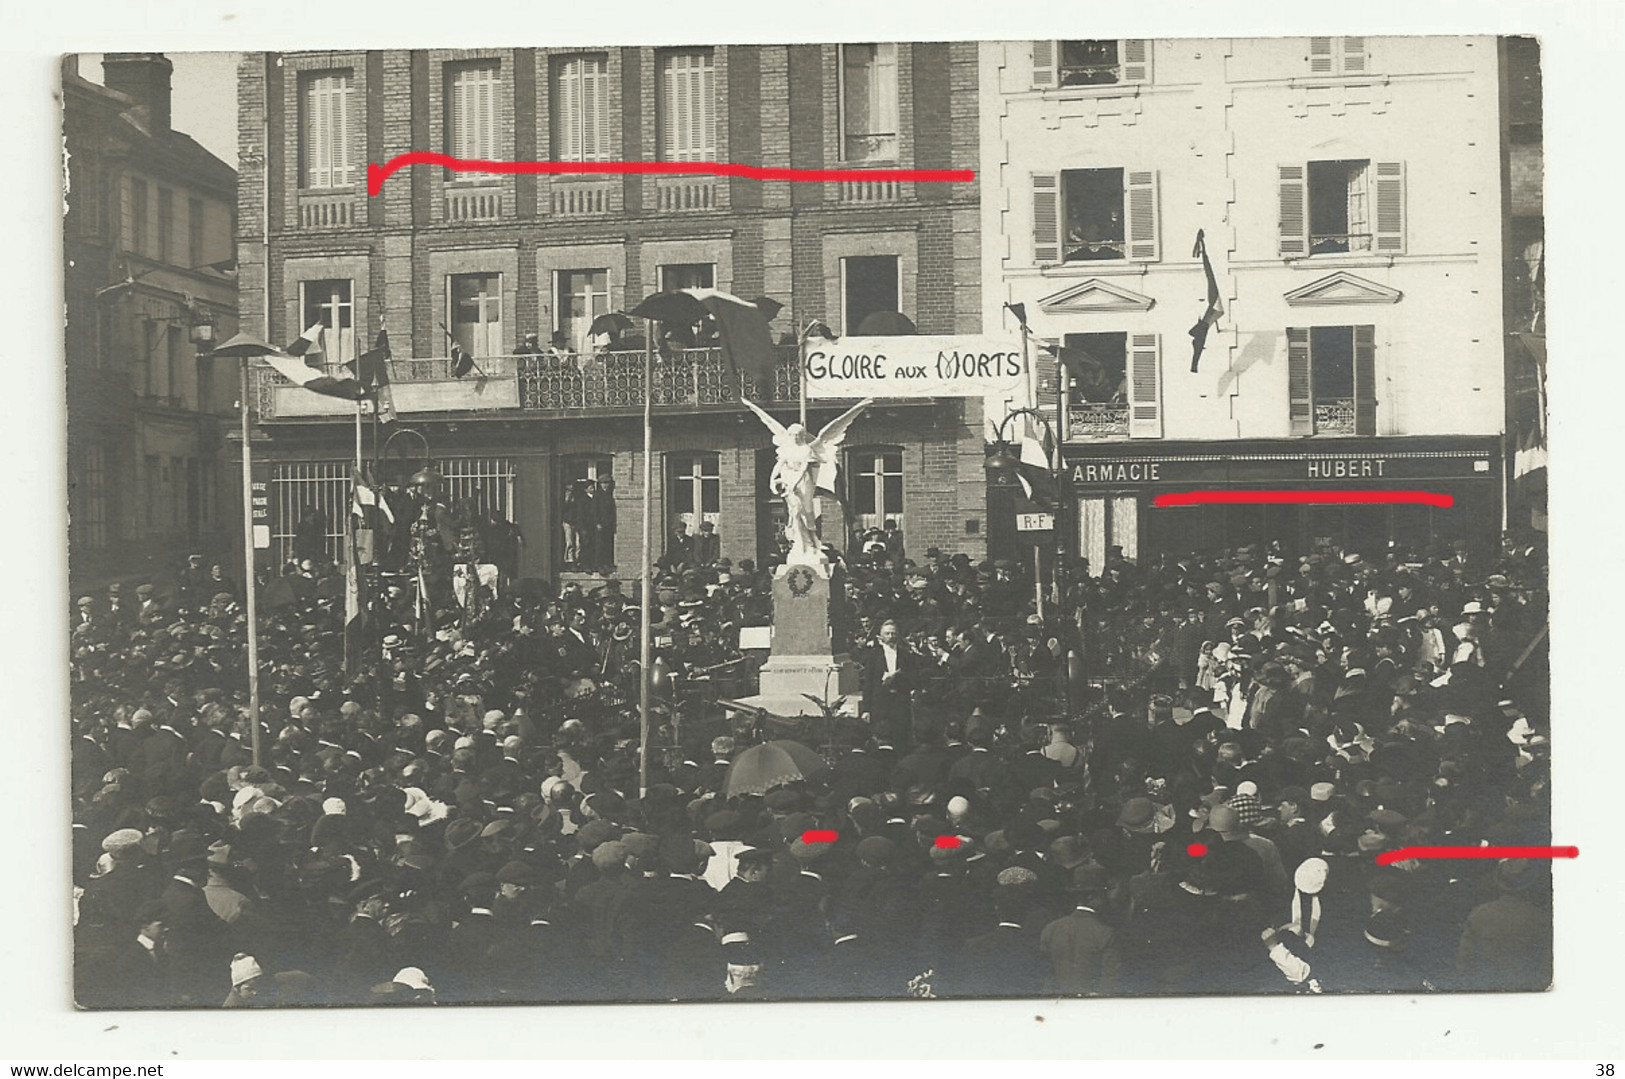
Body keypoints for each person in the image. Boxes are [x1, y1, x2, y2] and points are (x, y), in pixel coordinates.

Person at [860, 619, 919, 752]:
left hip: (900, 703)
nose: (890, 637)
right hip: (880, 704)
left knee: (900, 739)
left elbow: (913, 679)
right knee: (880, 739)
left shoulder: (906, 655)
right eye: (887, 634)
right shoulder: (874, 655)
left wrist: (898, 677)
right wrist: (866, 709)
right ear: (881, 636)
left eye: (893, 633)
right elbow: (868, 683)